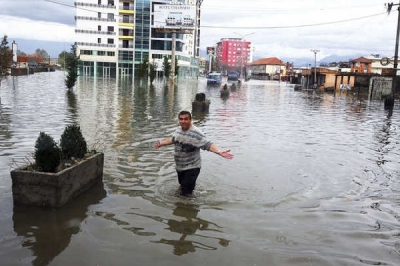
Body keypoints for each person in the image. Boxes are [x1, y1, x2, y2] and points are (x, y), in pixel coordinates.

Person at [155, 110, 234, 196]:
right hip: (180, 167)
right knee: (183, 187)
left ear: (190, 120)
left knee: (185, 195)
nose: (183, 121)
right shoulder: (178, 130)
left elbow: (208, 144)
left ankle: (187, 207)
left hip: (192, 168)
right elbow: (173, 139)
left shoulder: (196, 133)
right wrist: (162, 143)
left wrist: (219, 151)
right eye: (181, 119)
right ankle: (191, 196)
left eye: (186, 119)